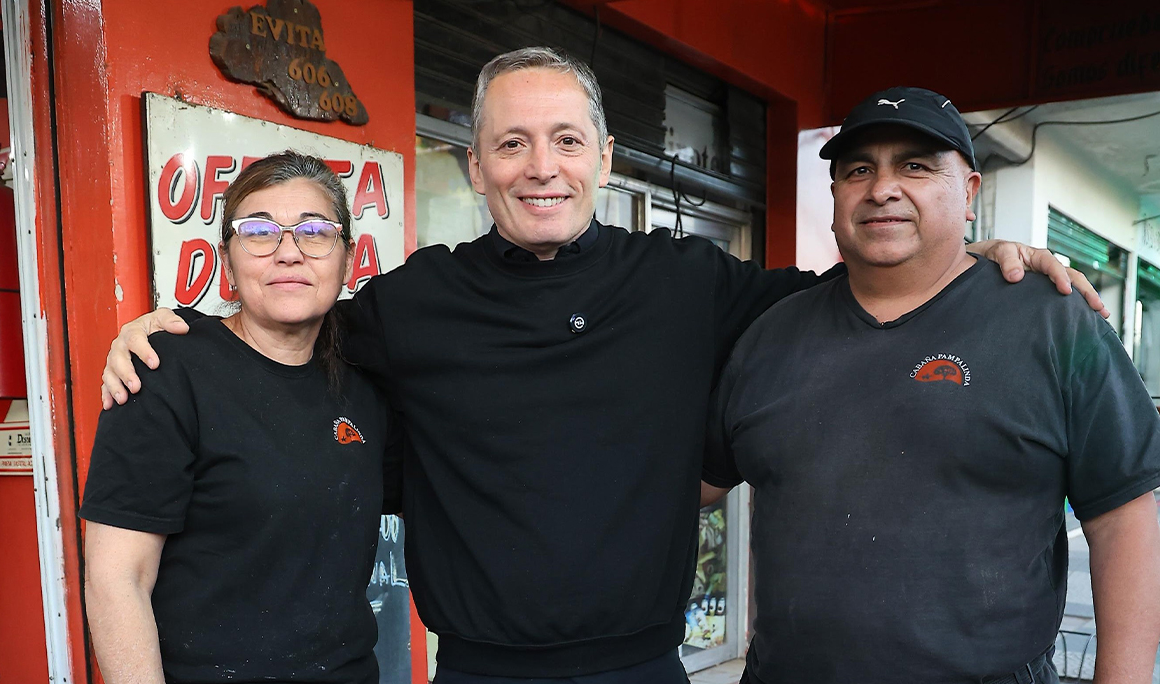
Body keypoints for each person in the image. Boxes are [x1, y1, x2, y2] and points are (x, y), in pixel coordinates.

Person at [98, 51, 1105, 683]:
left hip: (643, 667)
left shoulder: (688, 283)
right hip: (480, 671)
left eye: (567, 140)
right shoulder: (412, 303)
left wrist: (985, 259)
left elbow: (866, 287)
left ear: (606, 156)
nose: (543, 165)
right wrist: (162, 328)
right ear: (475, 165)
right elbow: (284, 323)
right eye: (513, 144)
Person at [703, 87, 1160, 684]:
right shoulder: (769, 336)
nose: (882, 188)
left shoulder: (1051, 322)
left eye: (915, 166)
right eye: (859, 169)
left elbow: (1122, 517)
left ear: (969, 193)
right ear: (836, 193)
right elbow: (697, 487)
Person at [80, 152, 400, 684]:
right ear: (227, 261)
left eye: (315, 232)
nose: (288, 253)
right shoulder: (166, 369)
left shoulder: (368, 381)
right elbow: (117, 579)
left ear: (346, 258)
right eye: (258, 232)